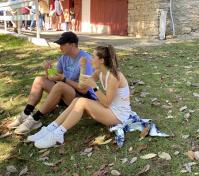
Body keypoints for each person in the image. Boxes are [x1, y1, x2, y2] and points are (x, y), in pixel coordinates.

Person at [29, 45, 132, 149]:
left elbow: (106, 103)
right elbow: (82, 85)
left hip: (118, 115)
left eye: (93, 57)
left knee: (82, 102)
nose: (91, 59)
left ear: (101, 60)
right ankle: (50, 129)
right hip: (109, 109)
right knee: (77, 100)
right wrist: (82, 67)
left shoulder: (113, 77)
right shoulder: (99, 72)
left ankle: (58, 134)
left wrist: (94, 86)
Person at [7, 32, 96, 135]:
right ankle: (26, 113)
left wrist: (63, 79)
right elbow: (54, 76)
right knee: (39, 80)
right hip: (67, 93)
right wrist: (48, 70)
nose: (60, 47)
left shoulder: (86, 59)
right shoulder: (64, 57)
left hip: (84, 98)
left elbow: (84, 89)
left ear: (72, 44)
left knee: (60, 85)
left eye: (62, 44)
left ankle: (35, 119)